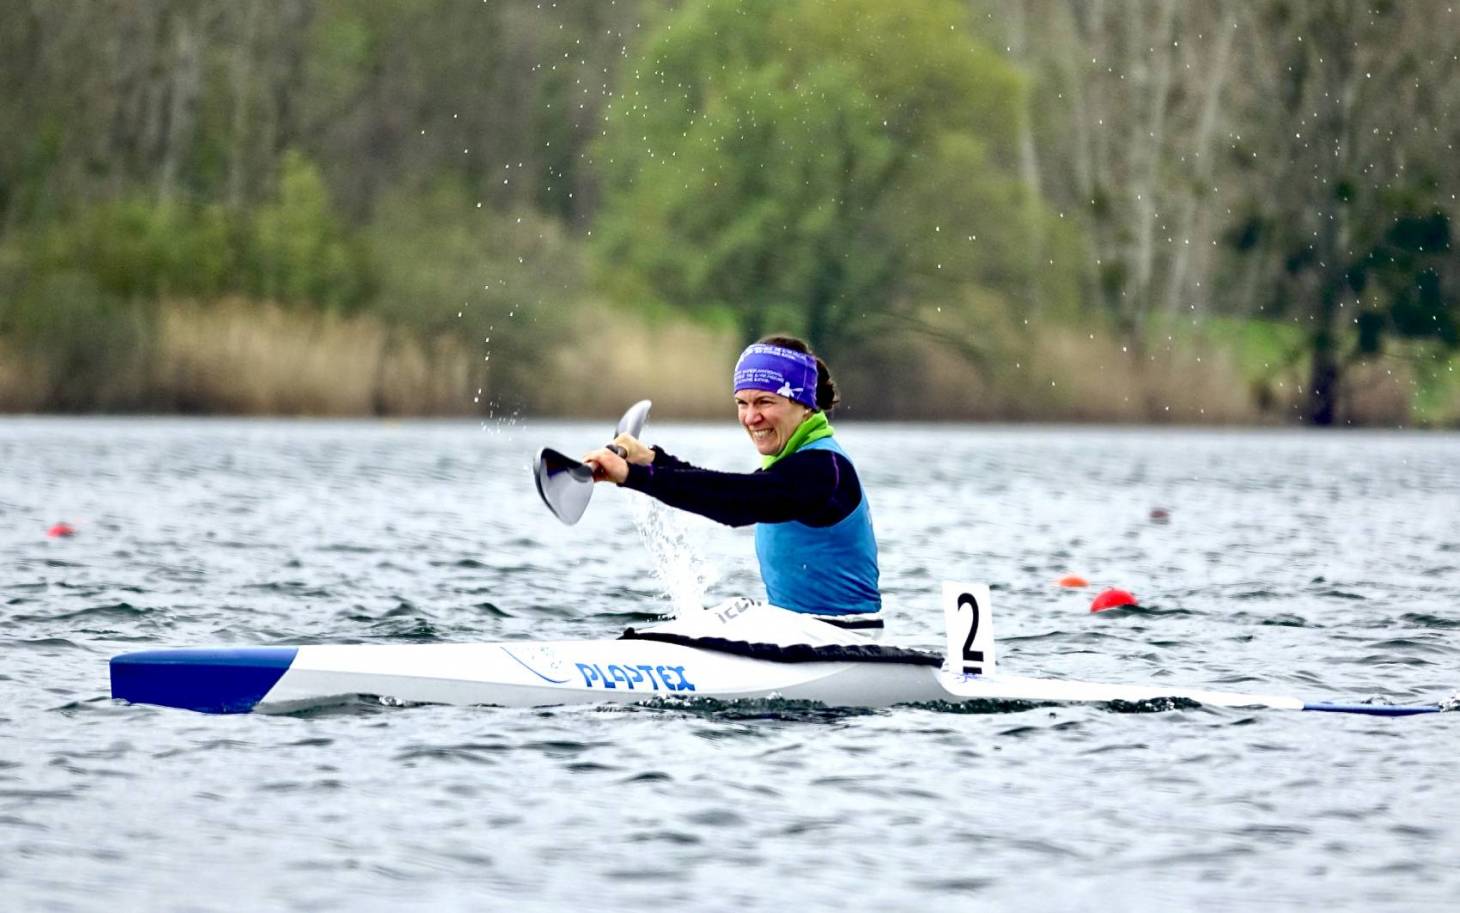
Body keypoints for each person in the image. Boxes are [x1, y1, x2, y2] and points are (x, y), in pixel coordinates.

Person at [582, 336, 881, 624]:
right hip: (806, 636)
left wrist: (630, 476)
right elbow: (727, 488)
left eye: (765, 402)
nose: (751, 418)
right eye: (742, 403)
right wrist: (652, 460)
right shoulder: (794, 462)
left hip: (845, 641)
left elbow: (736, 504)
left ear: (804, 406)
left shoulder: (823, 469)